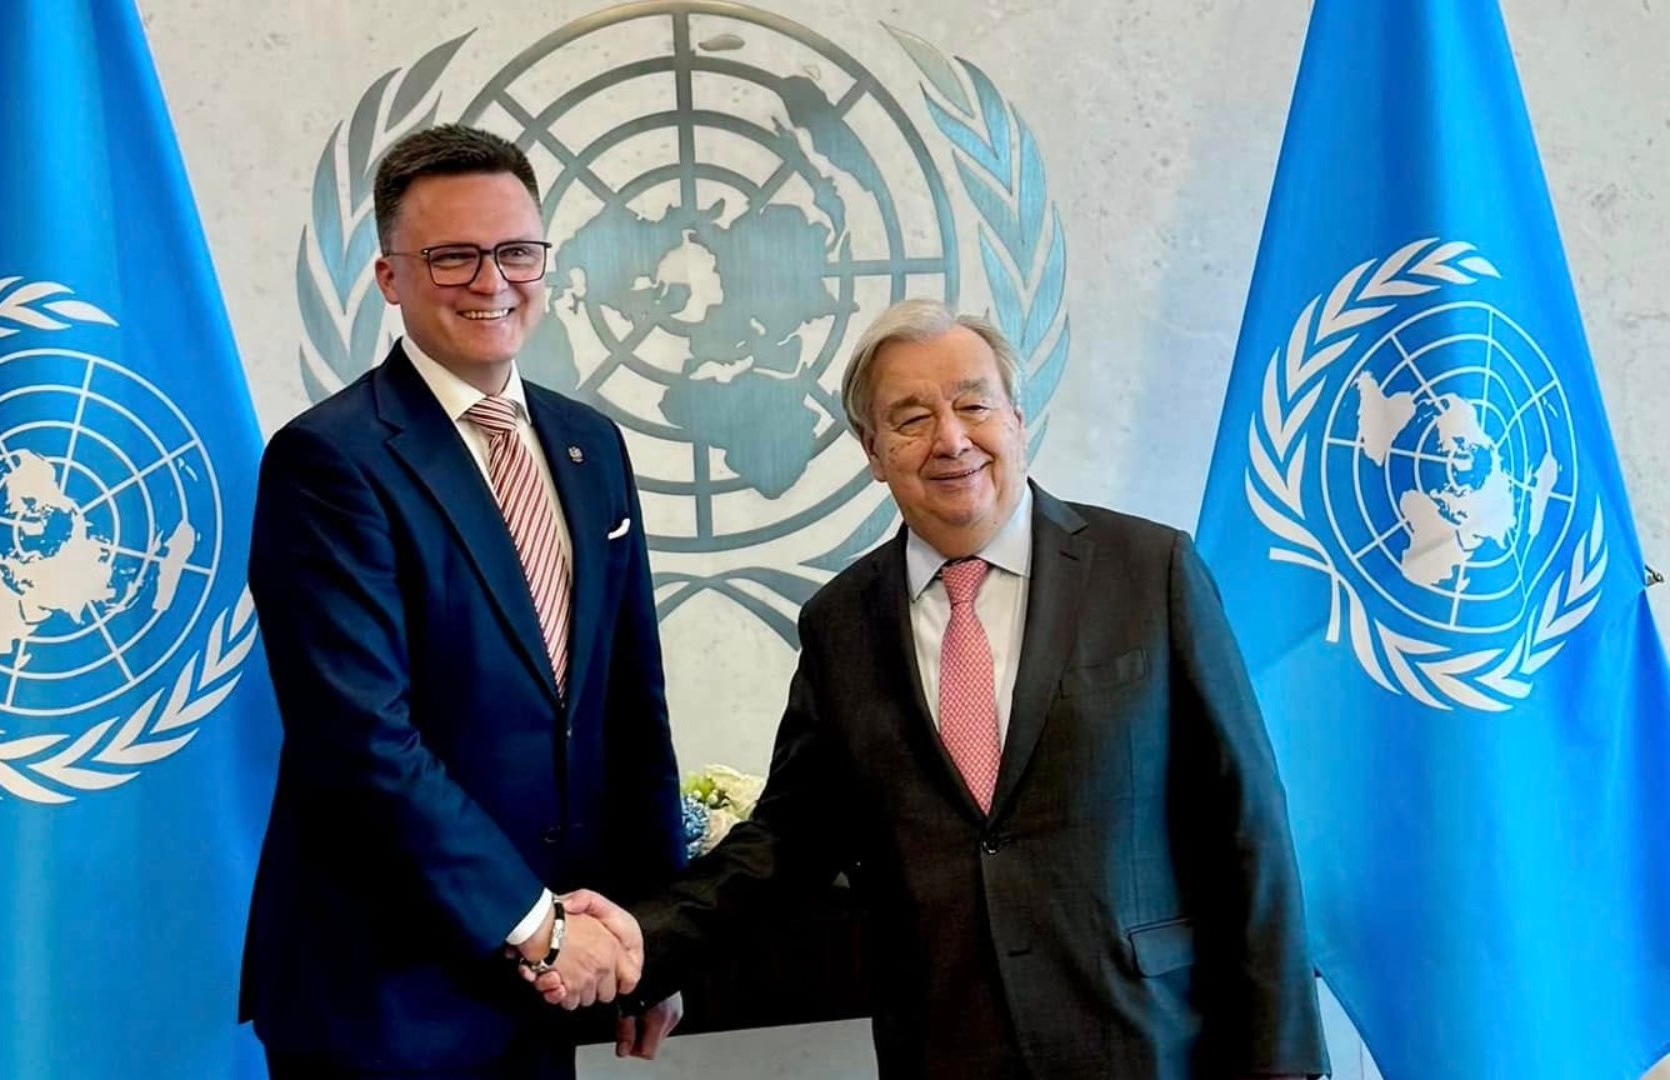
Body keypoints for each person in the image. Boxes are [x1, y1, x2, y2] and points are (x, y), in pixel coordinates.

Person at [542, 299, 1329, 1079]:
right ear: (873, 450)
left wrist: (1283, 1064)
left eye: (973, 405)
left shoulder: (1149, 570)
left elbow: (1246, 824)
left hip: (1149, 1043)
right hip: (946, 1049)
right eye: (912, 418)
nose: (950, 439)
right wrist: (642, 940)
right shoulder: (841, 624)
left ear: (1017, 418)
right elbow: (787, 843)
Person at [239, 123, 684, 1079]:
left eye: (517, 251)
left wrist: (654, 935)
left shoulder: (590, 445)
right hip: (385, 998)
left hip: (542, 991)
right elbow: (361, 740)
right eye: (453, 257)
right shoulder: (328, 462)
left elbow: (629, 705)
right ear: (389, 277)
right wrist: (540, 929)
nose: (492, 282)